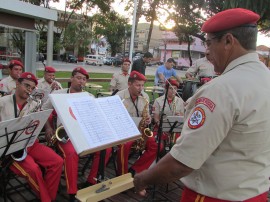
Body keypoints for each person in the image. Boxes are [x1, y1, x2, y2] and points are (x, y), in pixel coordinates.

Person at [133, 8, 270, 201]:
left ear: (229, 41)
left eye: (209, 43)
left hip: (212, 196)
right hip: (256, 194)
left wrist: (143, 178)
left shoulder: (221, 90)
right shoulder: (265, 77)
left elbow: (182, 163)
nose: (206, 51)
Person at [42, 67, 112, 201]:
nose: (81, 81)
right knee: (71, 153)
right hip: (64, 135)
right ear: (71, 78)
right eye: (79, 78)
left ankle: (91, 181)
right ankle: (72, 191)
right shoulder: (57, 94)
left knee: (106, 149)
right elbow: (43, 111)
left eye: (84, 79)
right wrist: (48, 127)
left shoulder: (89, 97)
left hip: (85, 134)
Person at [0, 72, 63, 202]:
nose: (29, 90)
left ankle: (48, 196)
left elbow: (40, 119)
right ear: (17, 84)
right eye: (26, 86)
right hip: (9, 149)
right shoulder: (2, 102)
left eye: (32, 88)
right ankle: (47, 199)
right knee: (34, 170)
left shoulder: (34, 104)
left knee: (58, 161)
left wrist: (48, 127)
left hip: (29, 143)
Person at [116, 71, 158, 176]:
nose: (141, 88)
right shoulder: (119, 96)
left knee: (156, 145)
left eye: (142, 85)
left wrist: (148, 119)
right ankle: (122, 175)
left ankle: (135, 170)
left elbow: (146, 114)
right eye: (138, 85)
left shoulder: (145, 97)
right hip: (124, 131)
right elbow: (115, 119)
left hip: (140, 129)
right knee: (125, 145)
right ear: (129, 84)